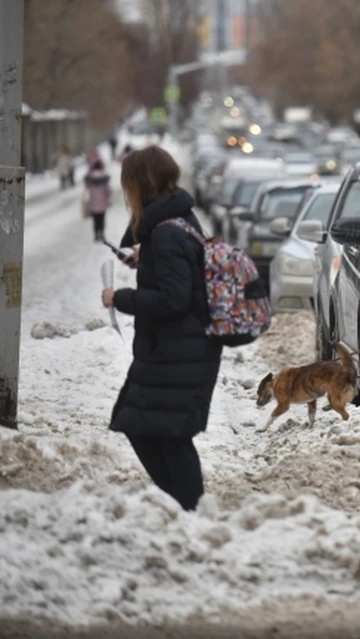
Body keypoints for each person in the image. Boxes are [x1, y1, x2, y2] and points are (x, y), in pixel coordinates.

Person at [101, 145, 223, 511]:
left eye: (128, 186)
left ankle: (189, 511)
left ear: (143, 184)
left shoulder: (167, 233)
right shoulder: (176, 220)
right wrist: (147, 257)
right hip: (174, 348)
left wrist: (119, 298)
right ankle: (185, 509)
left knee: (164, 434)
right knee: (153, 429)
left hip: (178, 349)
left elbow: (173, 299)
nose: (126, 194)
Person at [83, 159, 111, 241]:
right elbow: (108, 191)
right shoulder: (104, 178)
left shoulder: (90, 178)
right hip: (102, 203)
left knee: (95, 220)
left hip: (93, 203)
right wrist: (108, 198)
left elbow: (87, 189)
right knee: (102, 219)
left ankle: (96, 235)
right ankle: (102, 234)